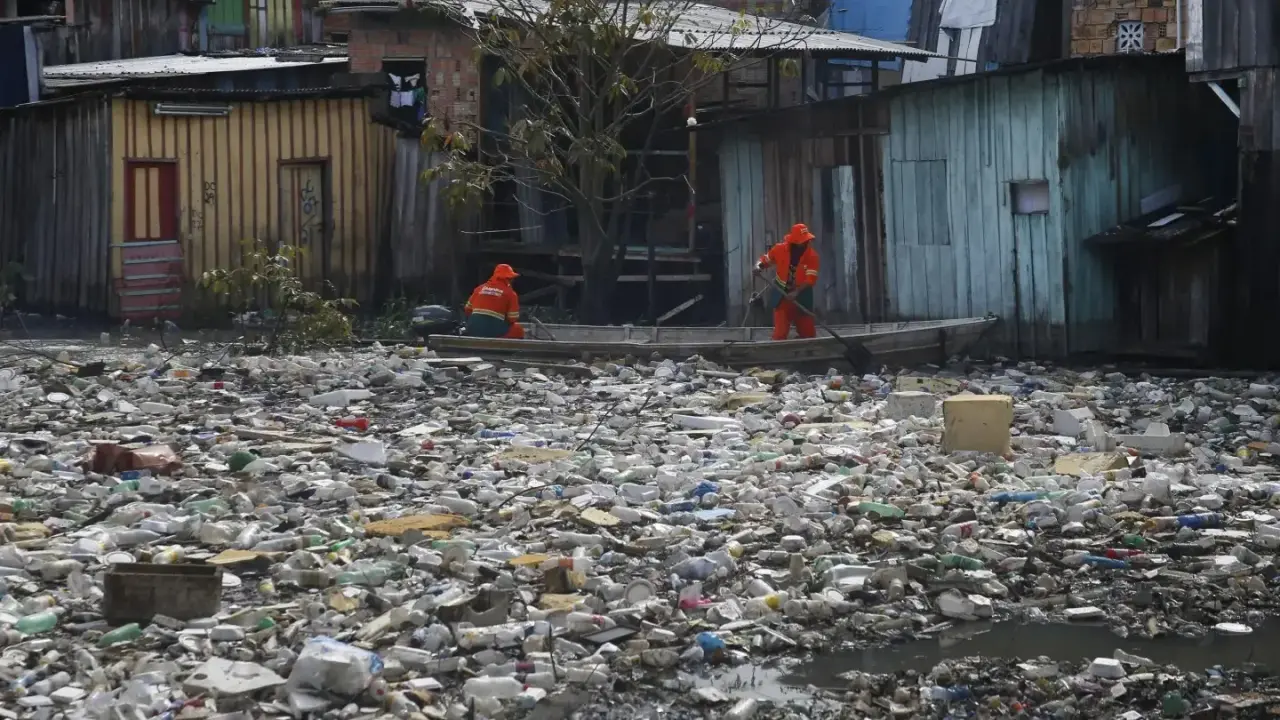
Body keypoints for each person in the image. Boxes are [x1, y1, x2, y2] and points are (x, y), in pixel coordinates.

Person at [753, 223, 819, 340]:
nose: (805, 243)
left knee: (808, 333)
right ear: (794, 241)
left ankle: (803, 350)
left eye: (806, 241)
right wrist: (758, 267)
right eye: (802, 241)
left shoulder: (812, 256)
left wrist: (796, 292)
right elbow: (764, 260)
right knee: (780, 334)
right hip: (782, 295)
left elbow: (810, 280)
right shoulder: (779, 249)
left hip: (802, 295)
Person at [464, 264, 525, 339]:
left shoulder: (479, 288)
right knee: (518, 330)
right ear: (508, 279)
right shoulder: (511, 294)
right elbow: (512, 318)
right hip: (493, 331)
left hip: (472, 329)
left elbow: (467, 310)